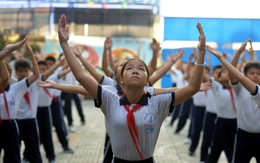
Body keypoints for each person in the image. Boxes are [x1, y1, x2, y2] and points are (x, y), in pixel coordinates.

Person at [58, 14, 206, 162]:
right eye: (129, 68)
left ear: (147, 80)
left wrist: (201, 53)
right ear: (121, 79)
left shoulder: (158, 102)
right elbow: (81, 76)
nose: (135, 70)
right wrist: (64, 44)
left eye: (141, 68)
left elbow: (192, 88)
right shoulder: (110, 100)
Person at [206, 41, 260, 163]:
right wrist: (238, 53)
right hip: (243, 136)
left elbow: (239, 75)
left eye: (258, 74)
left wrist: (222, 58)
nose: (256, 76)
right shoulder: (240, 89)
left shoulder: (258, 91)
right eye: (252, 73)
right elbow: (234, 74)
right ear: (245, 74)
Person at [0, 37, 28, 163]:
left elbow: (5, 78)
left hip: (9, 124)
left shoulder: (12, 86)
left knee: (12, 156)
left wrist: (7, 50)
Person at [199, 65, 222, 162]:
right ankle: (203, 159)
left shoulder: (226, 86)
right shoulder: (211, 83)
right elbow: (204, 76)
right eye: (217, 72)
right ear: (213, 74)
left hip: (221, 117)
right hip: (210, 115)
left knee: (217, 141)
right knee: (206, 139)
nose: (219, 74)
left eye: (222, 72)